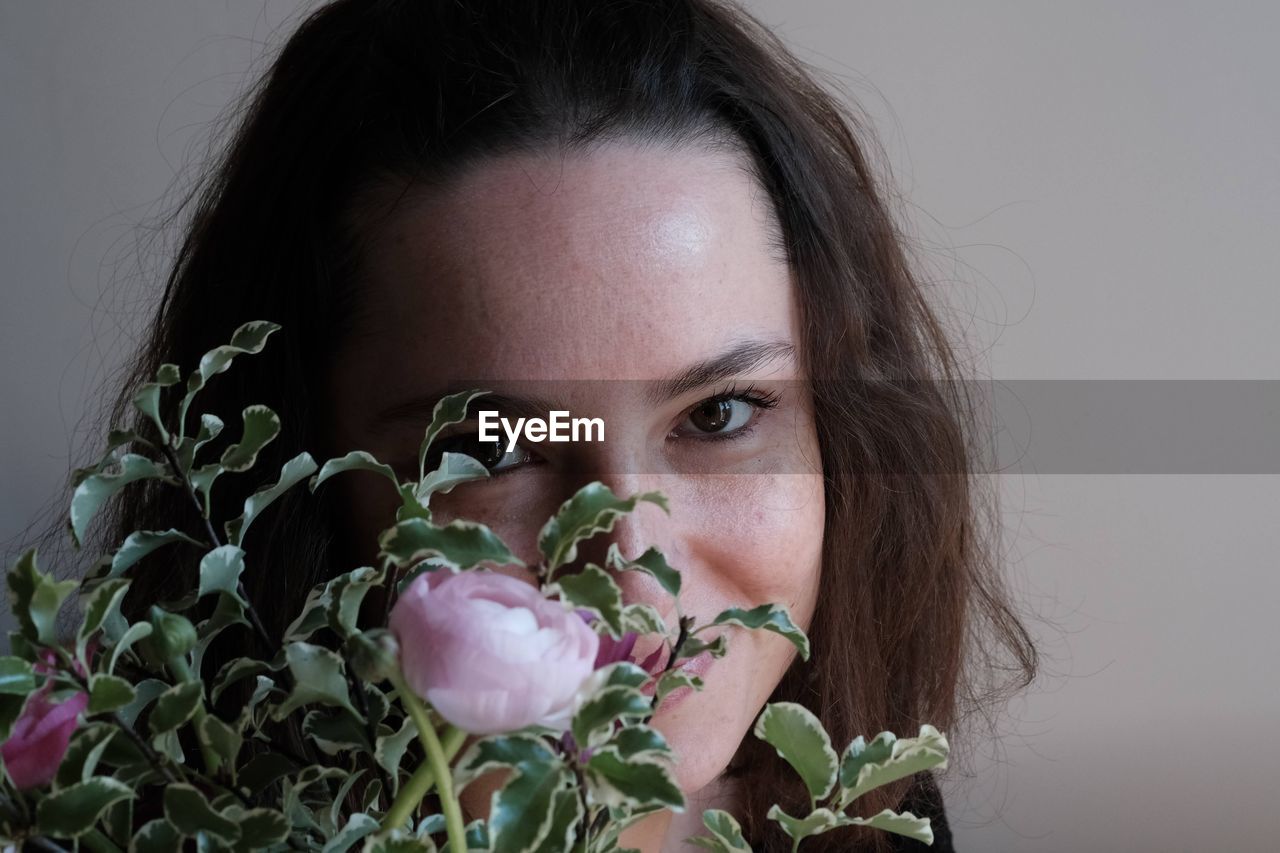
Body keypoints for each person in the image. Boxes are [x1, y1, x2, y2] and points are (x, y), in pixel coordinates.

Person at [86, 1, 1038, 849]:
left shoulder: (859, 811)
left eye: (719, 414)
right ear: (291, 486)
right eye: (492, 447)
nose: (632, 573)